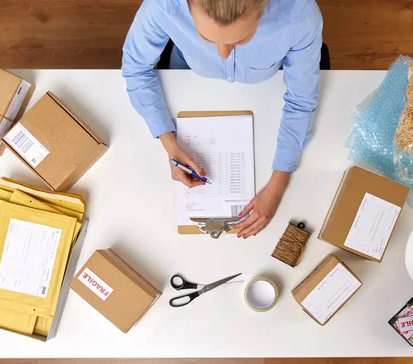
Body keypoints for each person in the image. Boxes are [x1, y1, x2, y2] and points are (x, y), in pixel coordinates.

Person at [122, 0, 322, 238]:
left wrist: (277, 186)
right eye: (205, 37)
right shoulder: (163, 5)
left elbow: (301, 101)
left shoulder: (299, 13)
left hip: (266, 93)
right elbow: (136, 69)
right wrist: (169, 142)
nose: (223, 54)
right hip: (187, 85)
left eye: (240, 40)